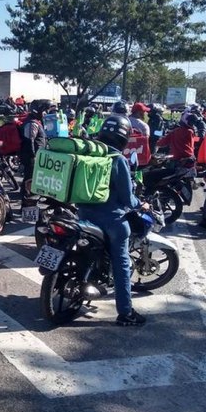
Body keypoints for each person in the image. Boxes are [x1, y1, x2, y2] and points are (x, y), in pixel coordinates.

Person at [78, 115, 147, 326]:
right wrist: (140, 204)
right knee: (122, 264)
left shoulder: (88, 154)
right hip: (112, 221)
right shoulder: (118, 160)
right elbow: (127, 198)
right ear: (124, 137)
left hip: (83, 214)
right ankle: (126, 313)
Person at [19, 100, 49, 193]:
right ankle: (26, 196)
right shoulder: (32, 123)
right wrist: (33, 156)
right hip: (30, 155)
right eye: (44, 111)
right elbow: (29, 140)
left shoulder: (36, 122)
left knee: (32, 176)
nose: (45, 113)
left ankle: (27, 193)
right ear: (37, 111)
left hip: (34, 154)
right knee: (29, 176)